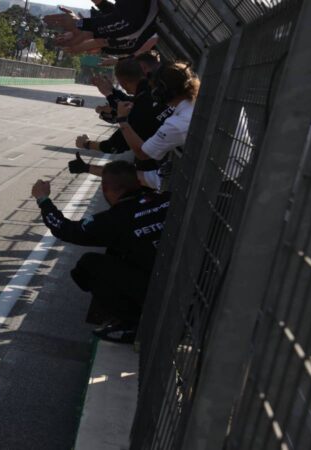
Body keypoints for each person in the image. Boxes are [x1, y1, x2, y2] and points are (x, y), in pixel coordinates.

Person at [31, 160, 170, 342]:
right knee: (117, 251)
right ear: (138, 182)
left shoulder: (114, 219)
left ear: (105, 189)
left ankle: (132, 324)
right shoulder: (167, 199)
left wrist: (43, 199)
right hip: (189, 278)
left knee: (88, 265)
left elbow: (65, 229)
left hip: (159, 288)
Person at [70, 58, 174, 175]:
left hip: (162, 167)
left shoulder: (136, 113)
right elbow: (134, 101)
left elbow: (114, 146)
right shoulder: (158, 87)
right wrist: (111, 93)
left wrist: (86, 144)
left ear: (123, 83)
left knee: (128, 171)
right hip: (173, 149)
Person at [116, 61, 200, 190]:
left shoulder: (177, 124)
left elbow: (142, 153)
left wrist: (122, 119)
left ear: (163, 91)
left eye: (155, 89)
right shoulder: (198, 101)